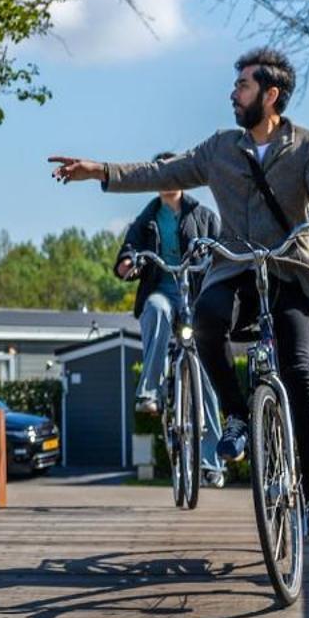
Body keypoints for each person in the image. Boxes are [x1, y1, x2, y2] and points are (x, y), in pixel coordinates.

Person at [49, 45, 309, 540]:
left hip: (289, 269)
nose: (233, 94)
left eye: (243, 86)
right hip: (234, 268)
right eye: (236, 86)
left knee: (302, 371)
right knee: (207, 319)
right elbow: (161, 173)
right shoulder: (220, 149)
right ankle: (236, 414)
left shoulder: (307, 146)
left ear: (270, 95)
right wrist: (100, 170)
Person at [115, 164, 226, 491]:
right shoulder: (145, 219)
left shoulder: (203, 215)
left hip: (197, 296)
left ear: (181, 181)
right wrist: (127, 263)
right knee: (156, 310)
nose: (167, 184)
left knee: (206, 377)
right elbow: (129, 250)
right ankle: (149, 391)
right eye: (160, 179)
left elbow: (223, 246)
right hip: (162, 292)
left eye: (172, 177)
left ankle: (212, 462)